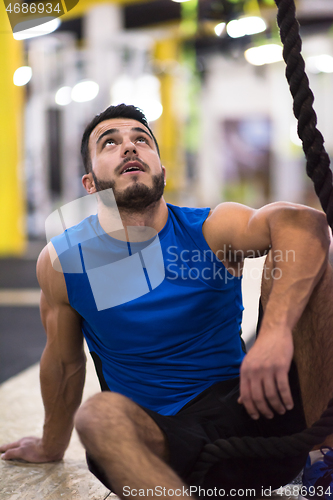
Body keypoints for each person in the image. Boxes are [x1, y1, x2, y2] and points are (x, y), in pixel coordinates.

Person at [1, 104, 333, 499]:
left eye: (141, 140)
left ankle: (322, 457)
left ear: (162, 170)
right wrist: (51, 444)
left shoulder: (210, 230)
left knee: (318, 266)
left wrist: (275, 334)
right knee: (97, 415)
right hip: (159, 448)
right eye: (110, 142)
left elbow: (304, 222)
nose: (129, 147)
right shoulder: (64, 261)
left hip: (257, 415)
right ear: (90, 183)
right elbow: (63, 361)